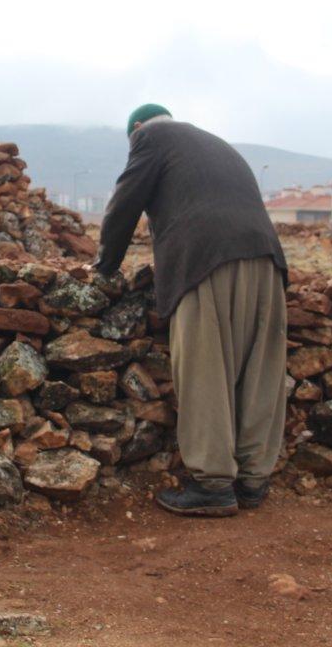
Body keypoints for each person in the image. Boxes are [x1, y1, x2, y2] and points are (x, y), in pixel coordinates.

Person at [94, 103, 290, 517]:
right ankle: (253, 480)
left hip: (205, 259)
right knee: (260, 373)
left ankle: (213, 484)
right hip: (267, 259)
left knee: (205, 368)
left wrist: (106, 264)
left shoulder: (150, 136)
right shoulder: (218, 144)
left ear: (137, 130)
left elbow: (125, 202)